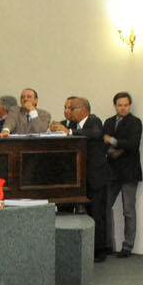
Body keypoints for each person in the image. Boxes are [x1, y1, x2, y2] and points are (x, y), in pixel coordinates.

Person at [55, 97, 110, 261]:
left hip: (95, 176)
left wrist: (69, 132)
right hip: (75, 178)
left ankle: (99, 251)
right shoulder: (70, 124)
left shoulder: (94, 121)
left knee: (97, 214)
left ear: (83, 109)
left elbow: (95, 134)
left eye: (72, 109)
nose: (69, 112)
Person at [103, 92, 143, 258]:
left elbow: (132, 144)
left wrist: (113, 142)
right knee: (104, 207)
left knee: (128, 210)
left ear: (130, 105)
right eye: (120, 105)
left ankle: (128, 246)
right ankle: (107, 244)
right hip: (111, 173)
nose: (123, 108)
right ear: (115, 106)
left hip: (129, 173)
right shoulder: (109, 122)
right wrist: (114, 148)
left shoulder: (135, 122)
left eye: (126, 105)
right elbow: (101, 142)